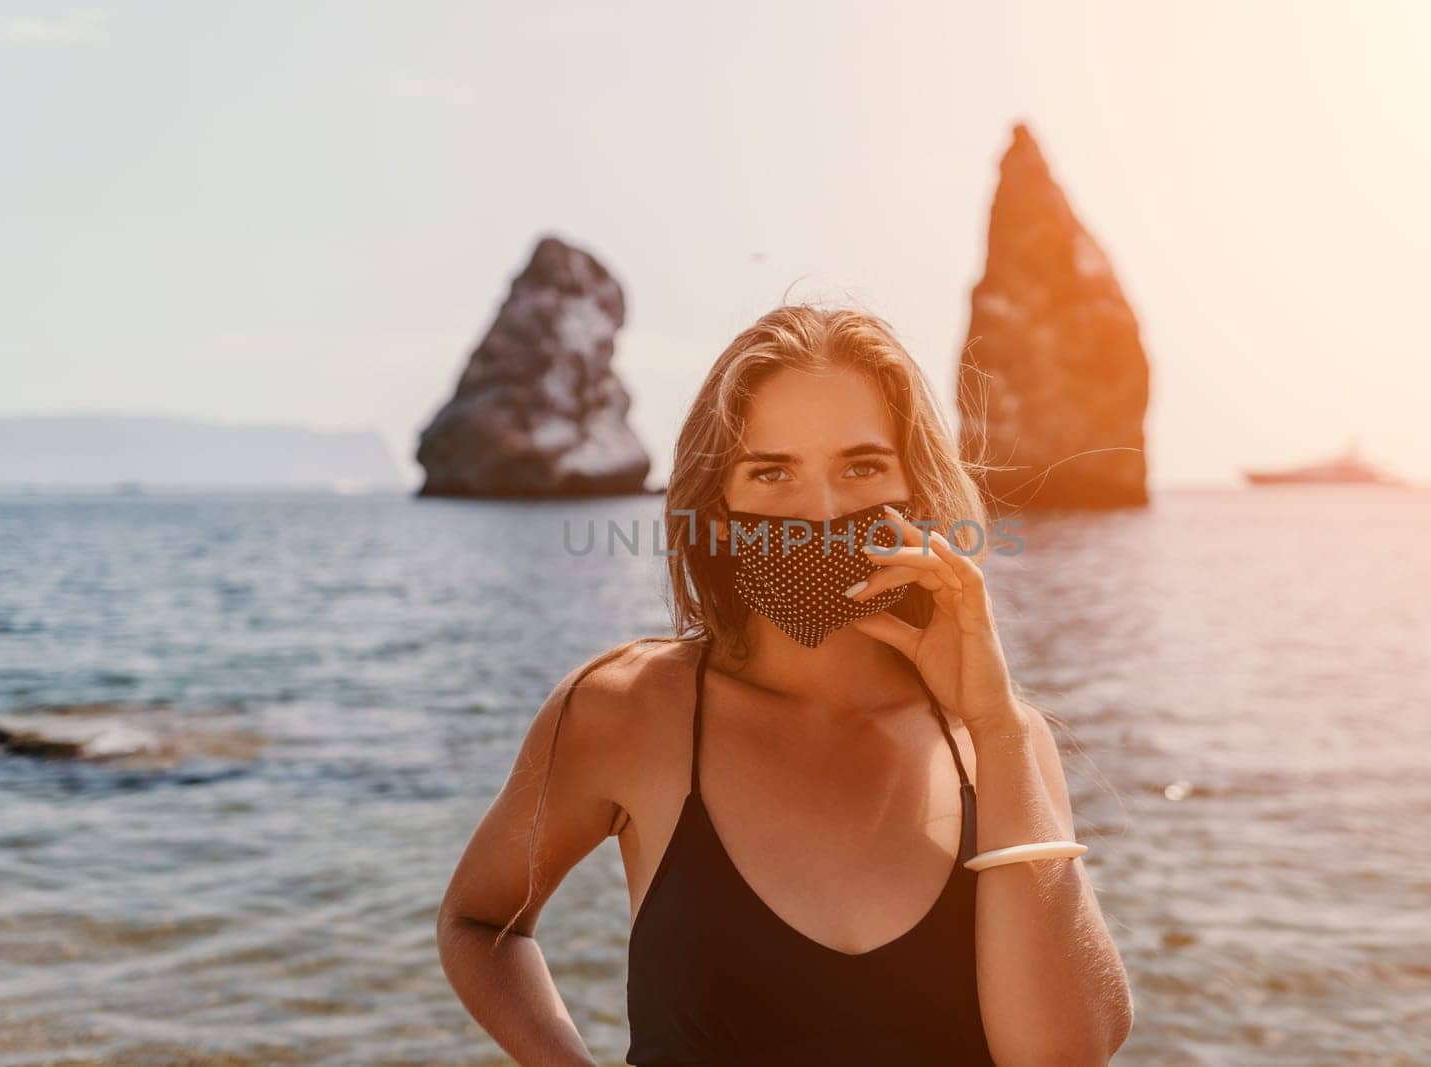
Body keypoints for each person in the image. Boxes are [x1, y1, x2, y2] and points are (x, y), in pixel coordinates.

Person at [435, 304, 1133, 1065]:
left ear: (919, 491)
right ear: (721, 510)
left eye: (862, 466)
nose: (823, 510)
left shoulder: (1000, 743)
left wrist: (994, 721)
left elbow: (1069, 1057)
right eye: (772, 472)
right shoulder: (628, 711)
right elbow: (479, 923)